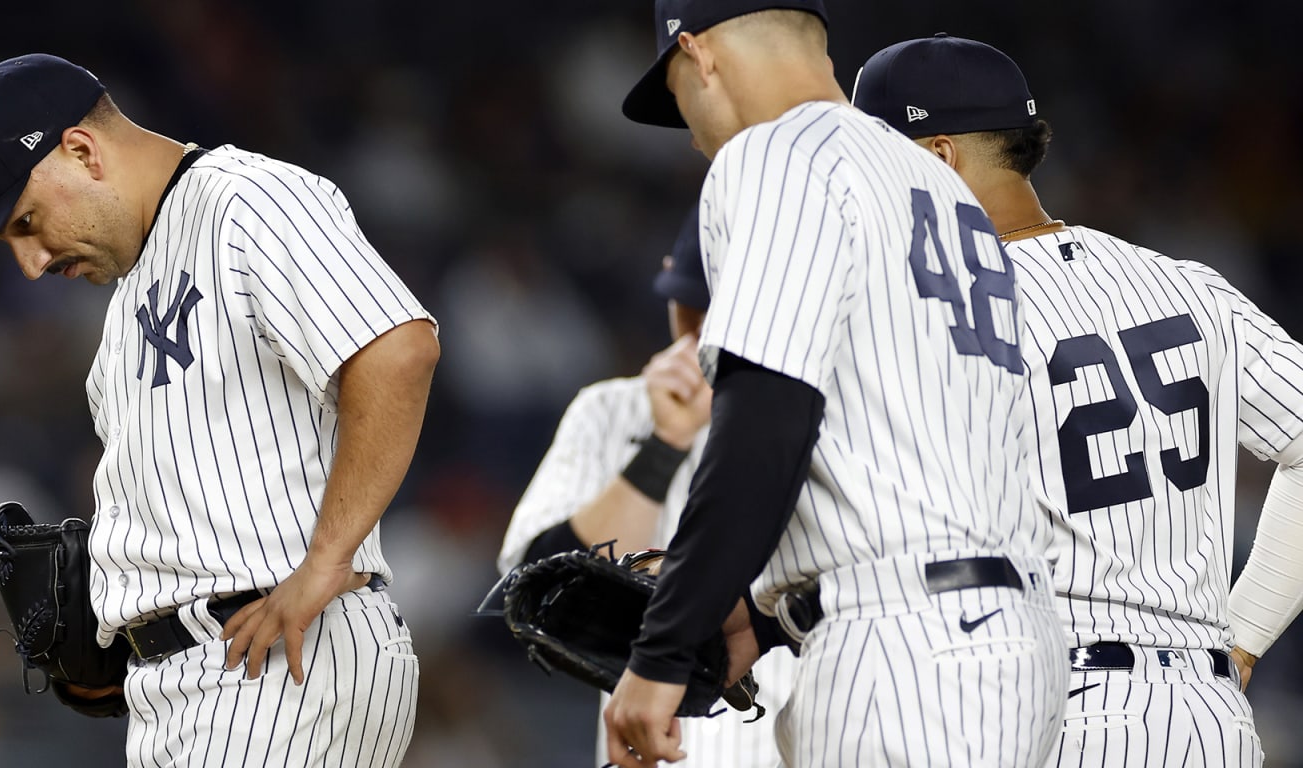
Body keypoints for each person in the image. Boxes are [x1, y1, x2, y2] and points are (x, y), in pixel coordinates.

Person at [0, 54, 437, 767]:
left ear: (80, 150)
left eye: (27, 224)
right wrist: (116, 622)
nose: (31, 263)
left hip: (276, 660)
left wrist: (328, 559)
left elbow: (397, 351)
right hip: (192, 682)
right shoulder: (122, 312)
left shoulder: (249, 201)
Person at [603, 3, 1067, 767]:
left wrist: (662, 650)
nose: (689, 133)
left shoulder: (774, 155)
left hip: (904, 651)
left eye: (677, 94)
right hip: (1013, 640)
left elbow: (769, 413)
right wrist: (760, 618)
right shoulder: (939, 185)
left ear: (700, 55)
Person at [852, 34, 1303, 766]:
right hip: (1210, 722)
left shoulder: (946, 318)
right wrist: (1245, 633)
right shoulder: (1186, 283)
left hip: (1058, 716)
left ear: (936, 157)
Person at [496, 207, 796, 768]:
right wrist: (664, 444)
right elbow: (542, 596)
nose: (705, 327)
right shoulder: (612, 409)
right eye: (691, 301)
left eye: (724, 308)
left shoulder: (840, 418)